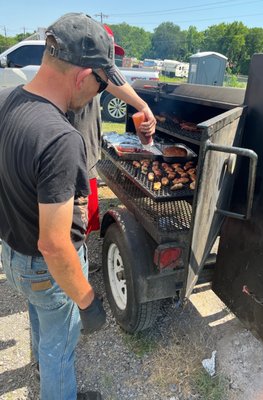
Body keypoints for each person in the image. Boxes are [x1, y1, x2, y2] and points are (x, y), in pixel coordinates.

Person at [0, 12, 155, 400]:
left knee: (40, 318)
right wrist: (87, 299)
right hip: (45, 268)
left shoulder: (7, 101)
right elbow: (54, 245)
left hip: (14, 256)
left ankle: (39, 369)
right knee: (61, 350)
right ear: (84, 76)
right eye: (102, 84)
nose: (100, 94)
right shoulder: (60, 137)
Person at [67, 26, 126, 274]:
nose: (112, 60)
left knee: (88, 218)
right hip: (77, 163)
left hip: (90, 158)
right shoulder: (77, 82)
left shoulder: (95, 81)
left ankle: (81, 258)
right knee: (75, 220)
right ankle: (75, 265)